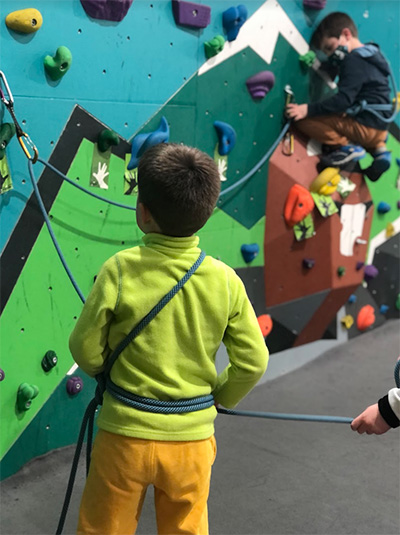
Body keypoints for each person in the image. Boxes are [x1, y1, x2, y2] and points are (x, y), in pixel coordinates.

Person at [69, 142, 269, 535]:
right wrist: (221, 397)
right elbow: (253, 362)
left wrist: (103, 374)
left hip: (123, 436)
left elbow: (84, 348)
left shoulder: (120, 269)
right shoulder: (226, 281)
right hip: (191, 442)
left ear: (142, 213)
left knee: (103, 528)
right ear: (208, 212)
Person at [286, 12, 393, 181]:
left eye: (330, 48)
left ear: (346, 34)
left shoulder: (354, 60)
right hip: (381, 129)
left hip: (365, 128)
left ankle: (347, 146)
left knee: (303, 121)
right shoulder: (373, 55)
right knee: (358, 124)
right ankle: (380, 152)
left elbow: (343, 101)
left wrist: (307, 109)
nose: (330, 55)